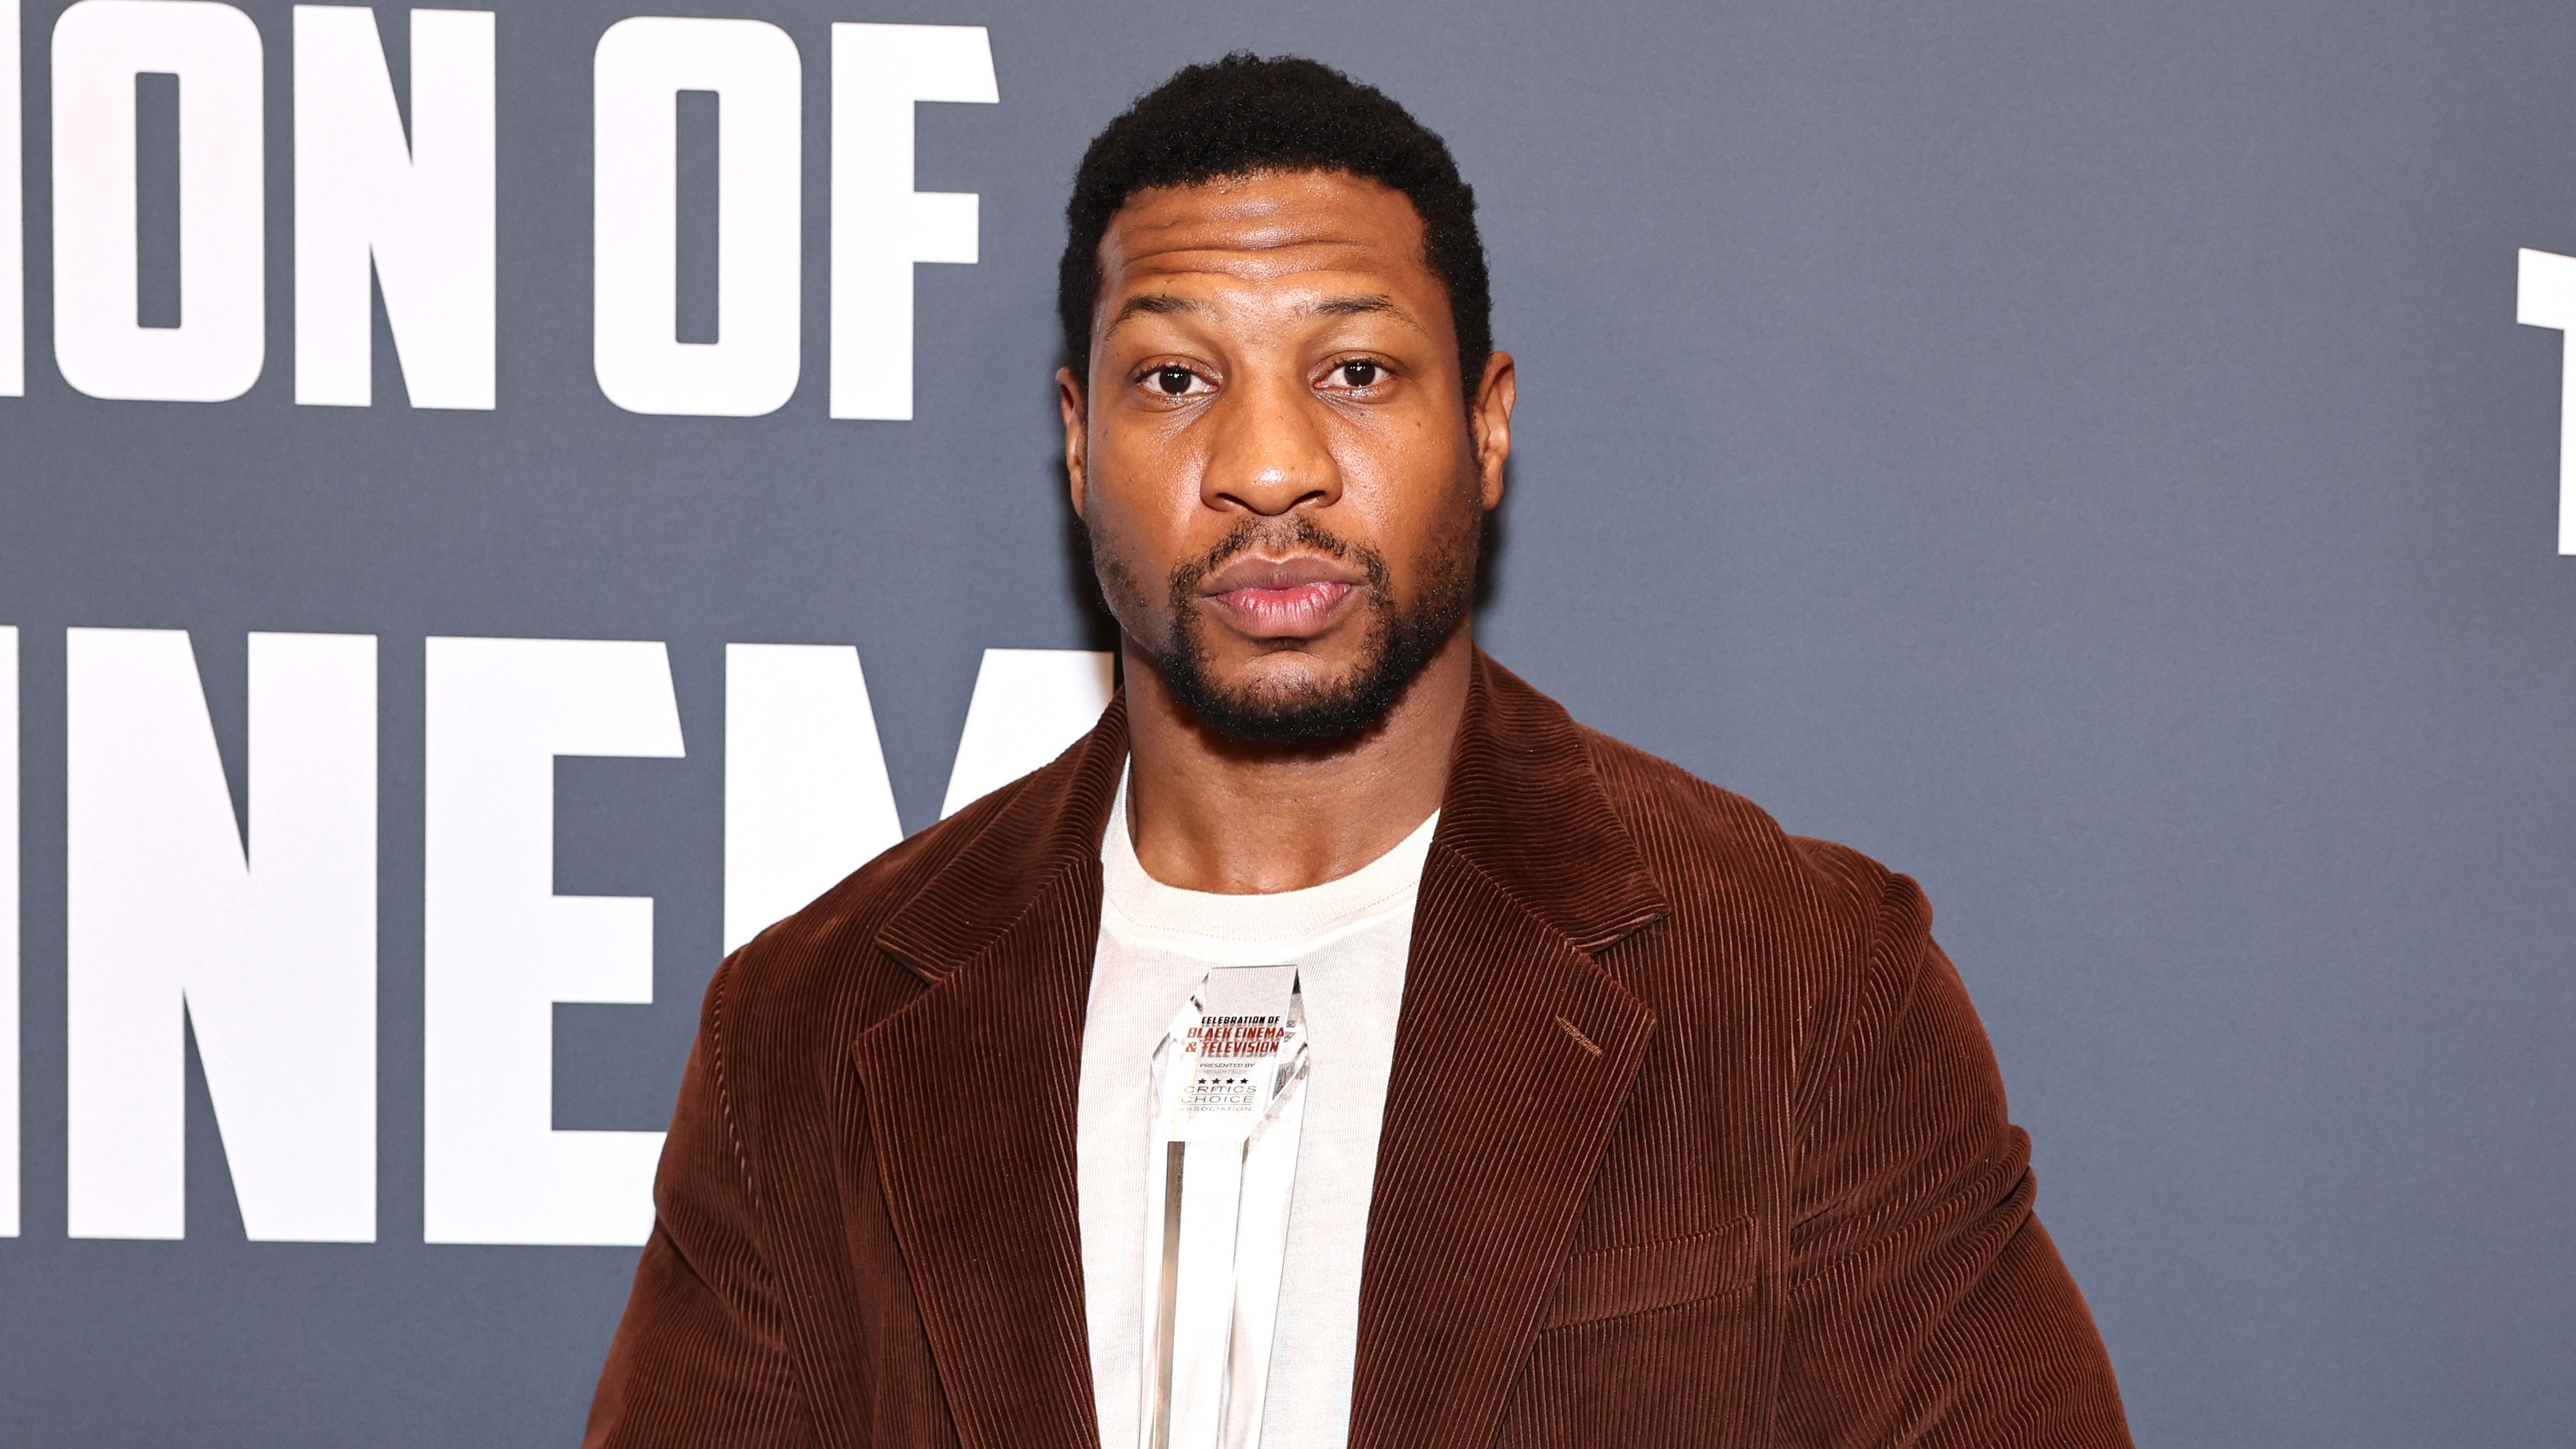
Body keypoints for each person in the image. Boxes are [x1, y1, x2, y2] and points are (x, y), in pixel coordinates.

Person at [585, 53, 2132, 1449]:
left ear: (1489, 423)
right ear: (1076, 440)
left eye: (1357, 372)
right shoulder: (807, 1025)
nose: (1268, 467)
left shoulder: (1801, 984)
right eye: (1177, 378)